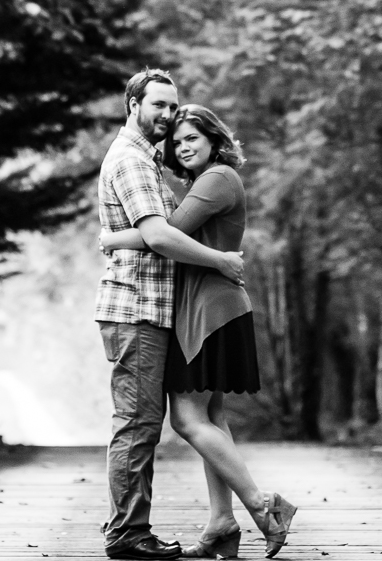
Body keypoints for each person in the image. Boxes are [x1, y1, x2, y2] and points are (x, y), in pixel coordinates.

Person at [101, 104, 297, 559]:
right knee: (212, 418)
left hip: (210, 309)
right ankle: (221, 524)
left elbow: (165, 233)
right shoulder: (201, 183)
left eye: (193, 137)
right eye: (178, 141)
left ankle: (264, 508)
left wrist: (111, 237)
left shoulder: (218, 179)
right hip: (208, 306)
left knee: (187, 420)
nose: (184, 146)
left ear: (214, 139)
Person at [95, 70, 248, 561]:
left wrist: (114, 238)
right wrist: (222, 260)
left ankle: (215, 522)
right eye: (158, 105)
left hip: (163, 311)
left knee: (165, 420)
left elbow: (166, 232)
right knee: (138, 424)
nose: (165, 115)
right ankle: (128, 533)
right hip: (136, 308)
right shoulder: (134, 162)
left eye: (173, 107)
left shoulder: (150, 162)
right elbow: (162, 236)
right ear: (133, 103)